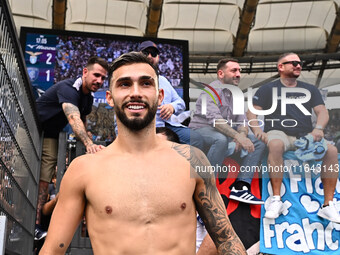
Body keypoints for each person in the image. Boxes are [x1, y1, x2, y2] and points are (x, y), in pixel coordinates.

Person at [39, 52, 246, 255]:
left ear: (160, 95)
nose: (135, 92)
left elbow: (226, 238)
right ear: (110, 98)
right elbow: (52, 250)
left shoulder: (192, 160)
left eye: (146, 83)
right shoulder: (84, 169)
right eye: (125, 84)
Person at [247, 52, 340, 222]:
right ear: (280, 67)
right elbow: (252, 111)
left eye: (299, 63)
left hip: (305, 135)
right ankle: (276, 200)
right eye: (293, 63)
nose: (298, 65)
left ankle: (328, 204)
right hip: (278, 133)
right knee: (275, 144)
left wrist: (319, 128)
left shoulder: (310, 88)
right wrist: (256, 130)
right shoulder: (268, 89)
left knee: (332, 151)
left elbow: (322, 112)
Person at [34, 56, 108, 240]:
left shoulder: (87, 98)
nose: (99, 81)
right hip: (31, 128)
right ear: (85, 72)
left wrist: (87, 136)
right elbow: (73, 118)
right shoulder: (68, 88)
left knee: (44, 178)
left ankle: (35, 227)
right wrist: (89, 145)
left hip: (50, 134)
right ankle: (15, 225)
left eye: (103, 78)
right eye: (96, 75)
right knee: (23, 177)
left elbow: (81, 120)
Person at [189, 58, 265, 204]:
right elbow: (215, 121)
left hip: (225, 132)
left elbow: (242, 121)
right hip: (201, 129)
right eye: (234, 70)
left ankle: (241, 187)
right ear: (220, 74)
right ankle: (206, 188)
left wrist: (242, 135)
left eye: (239, 71)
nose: (238, 74)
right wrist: (237, 136)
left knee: (258, 142)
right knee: (220, 139)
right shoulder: (210, 91)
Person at [139, 40, 202, 146]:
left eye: (153, 54)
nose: (150, 56)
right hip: (145, 127)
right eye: (146, 53)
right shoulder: (133, 79)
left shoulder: (163, 80)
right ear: (138, 56)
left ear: (158, 57)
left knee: (197, 139)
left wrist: (172, 107)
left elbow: (181, 103)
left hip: (168, 126)